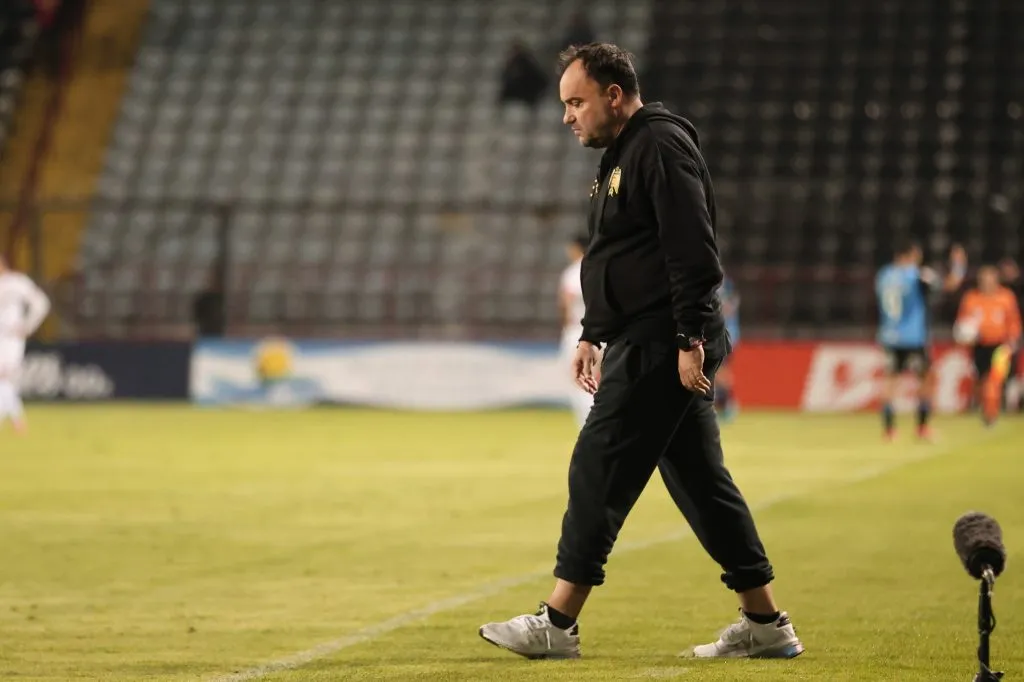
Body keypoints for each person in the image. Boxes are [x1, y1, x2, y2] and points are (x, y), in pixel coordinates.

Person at [479, 43, 803, 661]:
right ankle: (766, 625)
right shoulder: (622, 156)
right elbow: (618, 257)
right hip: (644, 337)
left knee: (598, 467)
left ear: (615, 95)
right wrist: (591, 332)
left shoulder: (658, 146)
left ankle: (557, 622)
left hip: (661, 342)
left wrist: (689, 341)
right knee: (703, 485)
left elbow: (692, 251)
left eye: (576, 102)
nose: (567, 117)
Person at [874, 241, 966, 441]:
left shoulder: (884, 275)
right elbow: (950, 284)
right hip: (913, 337)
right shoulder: (917, 275)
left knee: (890, 381)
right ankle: (922, 428)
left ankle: (889, 431)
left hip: (889, 335)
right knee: (925, 380)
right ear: (910, 256)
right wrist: (959, 265)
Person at [954, 265, 1022, 427]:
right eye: (983, 280)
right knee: (983, 381)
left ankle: (991, 415)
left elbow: (1014, 322)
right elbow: (962, 323)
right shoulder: (971, 298)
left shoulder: (1006, 297)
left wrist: (1012, 341)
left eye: (989, 279)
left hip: (1001, 346)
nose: (986, 283)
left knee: (994, 380)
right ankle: (987, 410)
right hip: (980, 346)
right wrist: (965, 335)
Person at [0, 256, 51, 433]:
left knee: (4, 378)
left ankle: (16, 421)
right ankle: (18, 422)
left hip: (11, 338)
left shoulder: (17, 283)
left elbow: (41, 303)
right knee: (5, 382)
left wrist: (27, 326)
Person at [558, 234, 594, 428]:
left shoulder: (574, 272)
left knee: (579, 382)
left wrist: (565, 325)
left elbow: (566, 302)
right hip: (602, 334)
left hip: (577, 333)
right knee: (600, 382)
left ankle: (587, 427)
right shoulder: (600, 268)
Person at [715, 274, 740, 421]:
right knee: (717, 371)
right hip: (720, 336)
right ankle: (725, 405)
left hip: (726, 336)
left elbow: (728, 310)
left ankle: (729, 404)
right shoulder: (725, 288)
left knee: (720, 371)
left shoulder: (725, 289)